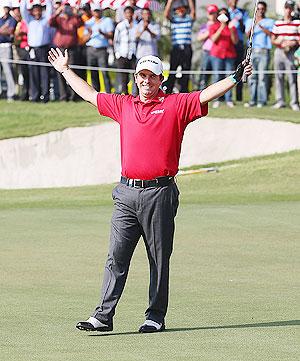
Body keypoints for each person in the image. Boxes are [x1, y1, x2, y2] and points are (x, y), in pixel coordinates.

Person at [48, 47, 252, 334]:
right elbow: (91, 95)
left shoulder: (175, 105)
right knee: (116, 257)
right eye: (142, 76)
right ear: (136, 78)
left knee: (158, 258)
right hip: (126, 193)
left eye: (151, 76)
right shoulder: (123, 105)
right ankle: (103, 317)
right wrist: (65, 71)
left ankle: (155, 316)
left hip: (160, 192)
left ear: (160, 79)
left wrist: (235, 78)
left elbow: (205, 94)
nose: (146, 81)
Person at [20, 0, 53, 102]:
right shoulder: (30, 21)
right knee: (33, 72)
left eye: (39, 10)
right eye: (35, 10)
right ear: (33, 12)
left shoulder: (44, 20)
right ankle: (34, 96)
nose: (37, 12)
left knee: (44, 73)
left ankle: (45, 96)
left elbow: (50, 9)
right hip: (33, 50)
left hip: (43, 49)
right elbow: (22, 11)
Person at [164, 0, 196, 93]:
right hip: (176, 48)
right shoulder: (174, 20)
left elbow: (193, 12)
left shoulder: (188, 19)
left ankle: (184, 92)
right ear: (176, 11)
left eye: (183, 8)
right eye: (178, 9)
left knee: (186, 71)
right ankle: (168, 91)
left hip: (186, 48)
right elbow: (166, 14)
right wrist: (170, 0)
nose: (181, 10)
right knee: (172, 70)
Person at [49, 2, 83, 101]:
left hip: (71, 49)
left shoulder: (74, 19)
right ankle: (63, 96)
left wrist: (75, 13)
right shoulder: (59, 19)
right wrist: (57, 11)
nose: (67, 10)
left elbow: (80, 23)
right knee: (60, 72)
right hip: (60, 49)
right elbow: (50, 22)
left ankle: (73, 96)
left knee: (72, 72)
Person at [271, 0, 300, 111]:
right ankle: (280, 101)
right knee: (279, 77)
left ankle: (294, 103)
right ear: (284, 9)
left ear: (292, 10)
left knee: (292, 78)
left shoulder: (297, 22)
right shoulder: (278, 23)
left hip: (292, 52)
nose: (288, 10)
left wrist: (293, 42)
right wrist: (280, 43)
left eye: (290, 8)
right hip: (279, 52)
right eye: (286, 7)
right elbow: (273, 39)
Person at [244, 1, 274, 108]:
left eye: (262, 9)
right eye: (258, 9)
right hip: (252, 51)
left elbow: (271, 34)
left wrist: (261, 27)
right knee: (252, 77)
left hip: (264, 51)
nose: (260, 11)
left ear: (265, 10)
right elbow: (247, 35)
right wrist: (254, 24)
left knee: (262, 77)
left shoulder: (269, 21)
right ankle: (252, 100)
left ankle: (262, 101)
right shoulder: (249, 21)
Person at [209, 8, 238, 108]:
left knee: (230, 78)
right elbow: (213, 39)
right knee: (217, 77)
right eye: (221, 14)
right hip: (217, 55)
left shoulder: (231, 27)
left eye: (225, 14)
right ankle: (216, 99)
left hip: (229, 55)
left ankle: (228, 99)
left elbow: (235, 42)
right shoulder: (214, 26)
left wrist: (230, 29)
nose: (223, 16)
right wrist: (221, 27)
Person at [84, 2, 114, 94]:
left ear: (101, 11)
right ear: (92, 12)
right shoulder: (88, 23)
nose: (97, 13)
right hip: (91, 49)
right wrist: (89, 33)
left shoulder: (107, 20)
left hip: (102, 50)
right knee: (93, 73)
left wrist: (102, 33)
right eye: (95, 11)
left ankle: (108, 93)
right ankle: (96, 93)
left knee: (104, 72)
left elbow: (111, 35)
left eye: (98, 11)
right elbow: (84, 38)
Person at [226, 0, 249, 102]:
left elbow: (245, 27)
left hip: (239, 44)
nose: (234, 1)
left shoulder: (242, 13)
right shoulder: (225, 13)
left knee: (239, 69)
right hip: (228, 45)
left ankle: (239, 97)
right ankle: (225, 97)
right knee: (227, 70)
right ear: (228, 1)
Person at [113, 6, 138, 94]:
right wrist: (117, 53)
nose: (129, 15)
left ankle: (136, 95)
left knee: (136, 76)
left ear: (133, 14)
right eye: (127, 13)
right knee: (124, 77)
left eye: (130, 13)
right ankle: (125, 95)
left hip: (133, 54)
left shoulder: (136, 25)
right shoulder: (120, 25)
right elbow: (116, 40)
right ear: (124, 14)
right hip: (122, 54)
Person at [197, 4, 218, 90]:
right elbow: (199, 38)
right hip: (206, 52)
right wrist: (210, 31)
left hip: (217, 53)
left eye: (214, 13)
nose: (212, 15)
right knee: (204, 74)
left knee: (216, 75)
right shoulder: (204, 26)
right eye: (210, 13)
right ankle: (201, 92)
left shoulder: (219, 25)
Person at [0, 0, 17, 101]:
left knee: (8, 71)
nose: (6, 9)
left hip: (6, 46)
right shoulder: (1, 19)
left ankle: (11, 94)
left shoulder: (12, 20)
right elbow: (4, 31)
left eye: (7, 8)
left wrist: (2, 30)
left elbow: (10, 31)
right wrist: (3, 29)